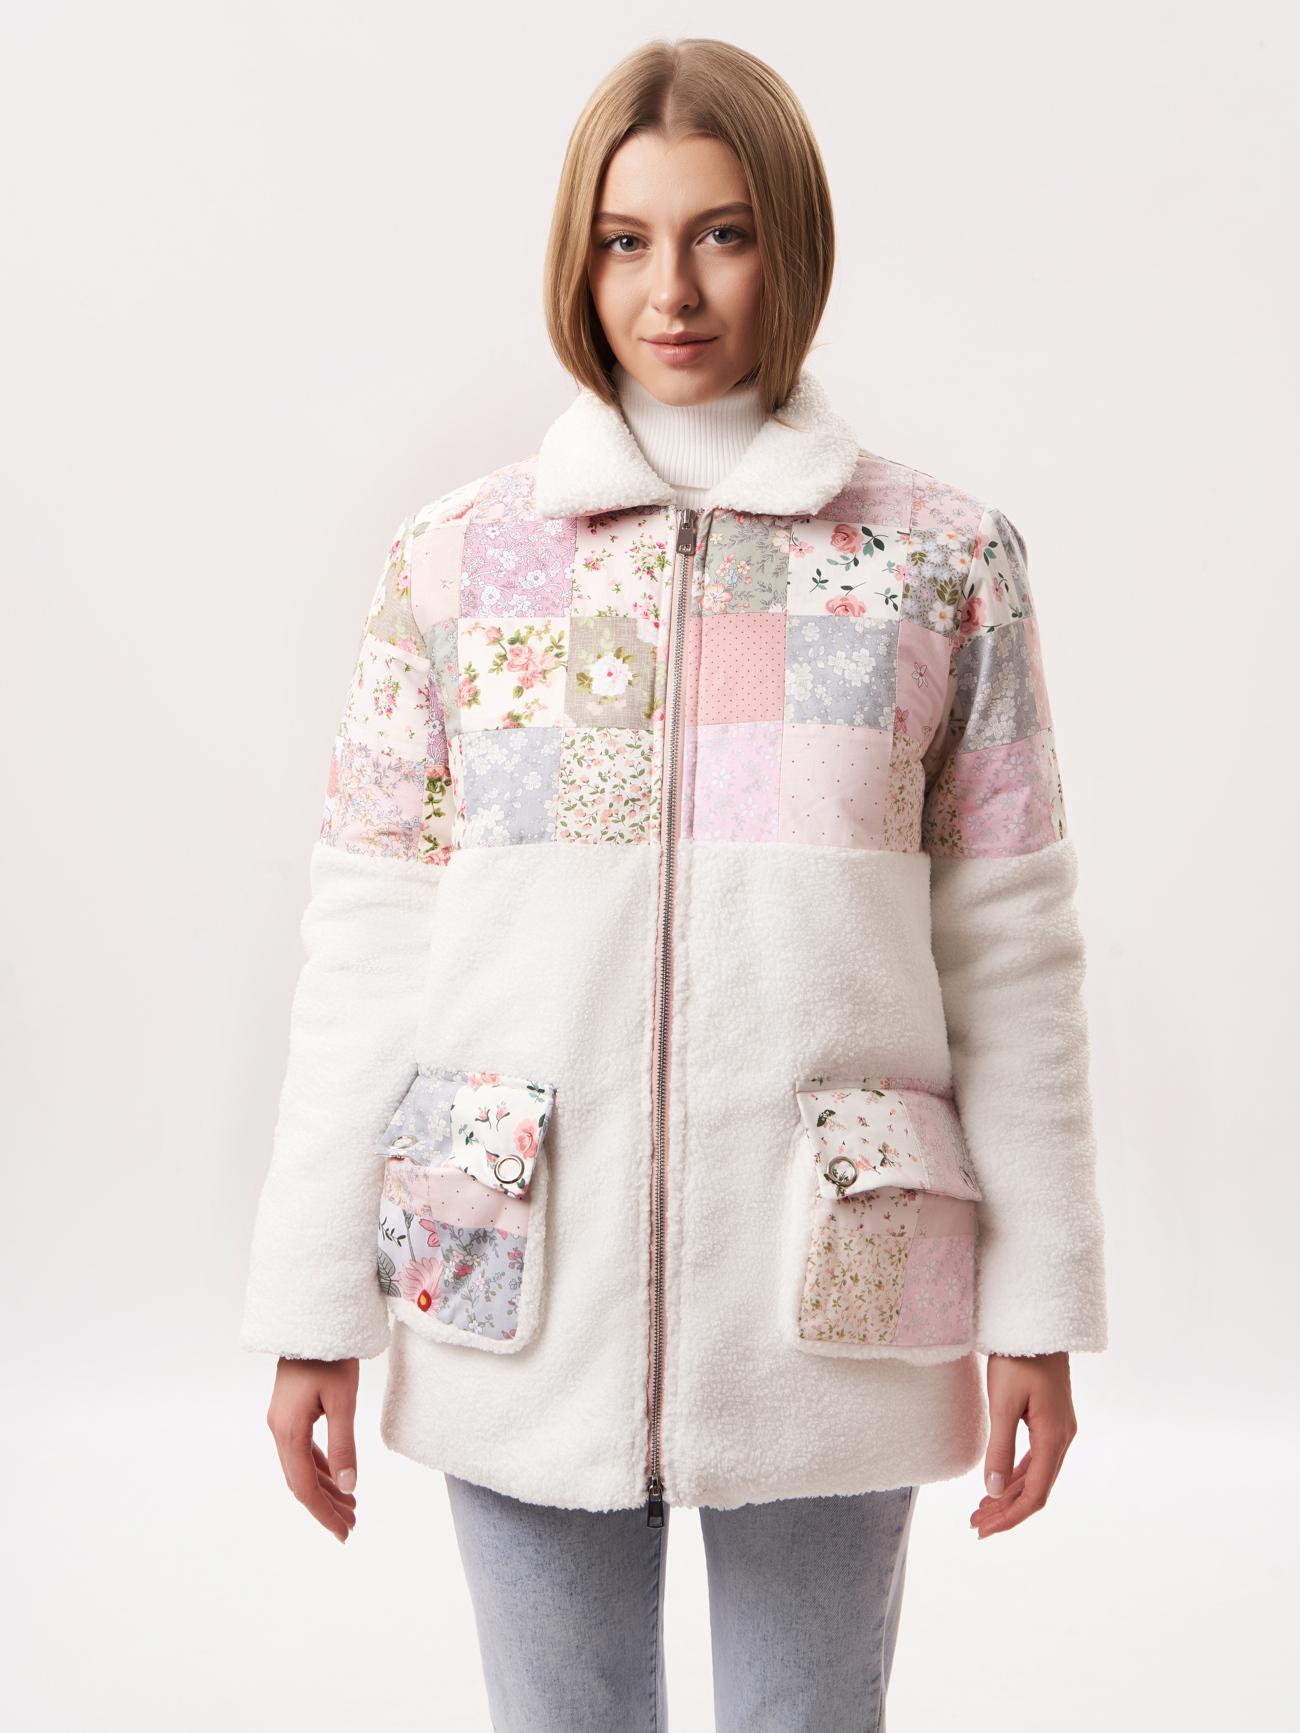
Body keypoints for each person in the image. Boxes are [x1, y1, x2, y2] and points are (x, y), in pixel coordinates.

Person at [242, 37, 1106, 1733]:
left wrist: (1041, 1303)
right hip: (511, 1272)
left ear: (792, 242)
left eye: (722, 233)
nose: (673, 290)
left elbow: (1010, 948)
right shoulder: (456, 563)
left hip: (838, 1282)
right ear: (579, 261)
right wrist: (312, 1303)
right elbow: (370, 942)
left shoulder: (940, 562)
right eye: (626, 240)